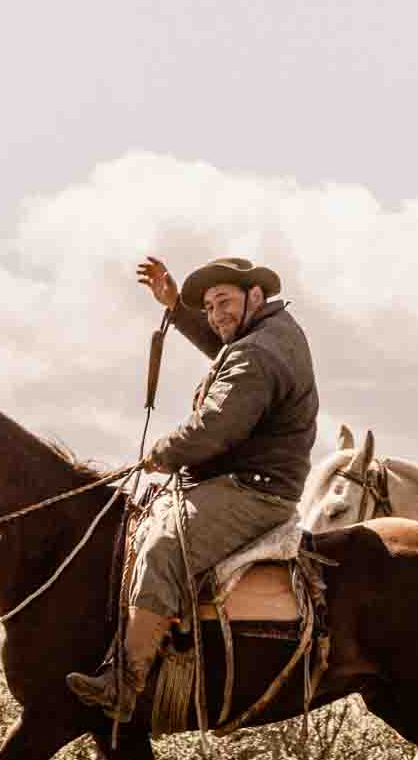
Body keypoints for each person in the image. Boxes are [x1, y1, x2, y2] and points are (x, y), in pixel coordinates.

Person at [67, 256, 320, 720]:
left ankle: (125, 684)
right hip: (250, 480)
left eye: (223, 300)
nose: (215, 313)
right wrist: (175, 308)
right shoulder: (274, 331)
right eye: (207, 306)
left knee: (163, 544)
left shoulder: (257, 355)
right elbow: (226, 344)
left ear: (255, 297)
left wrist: (161, 453)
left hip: (252, 491)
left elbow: (214, 427)